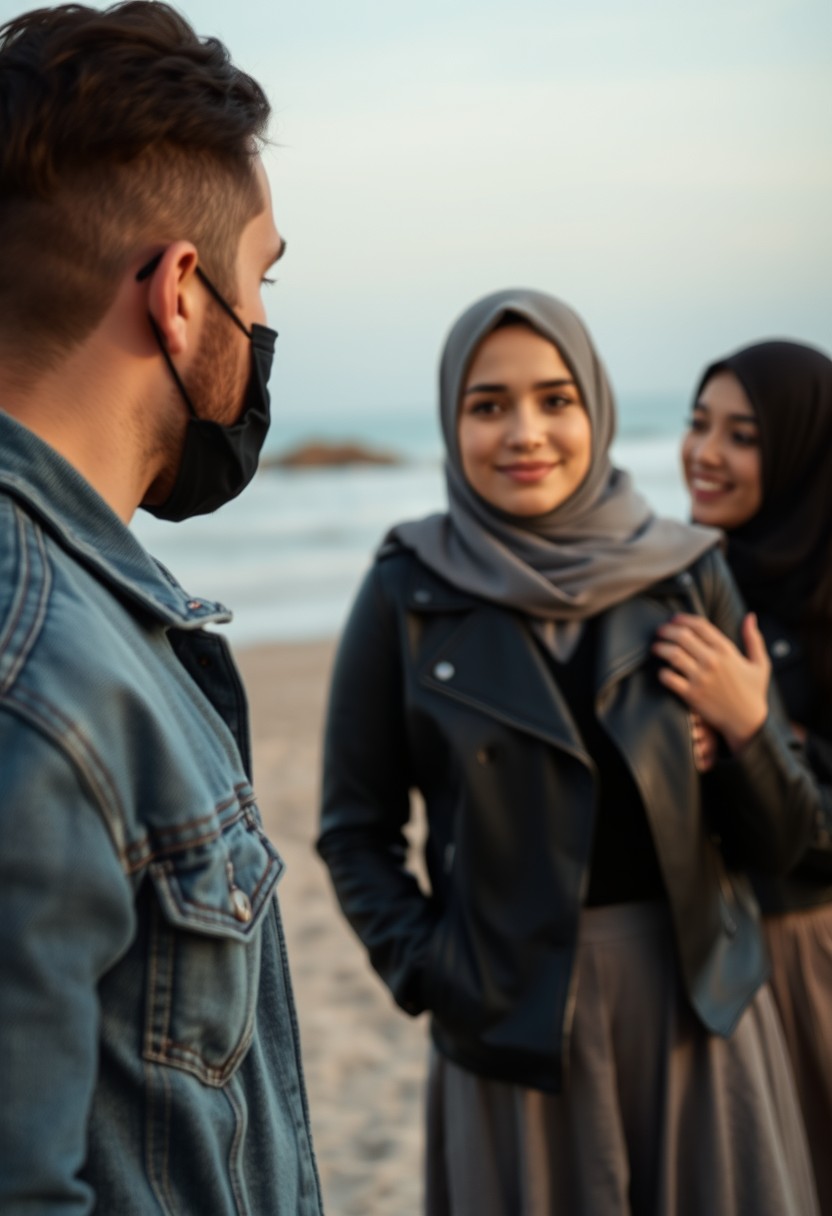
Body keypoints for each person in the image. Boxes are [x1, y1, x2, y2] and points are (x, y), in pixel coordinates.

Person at [317, 289, 822, 1216]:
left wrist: (752, 735)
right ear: (451, 420)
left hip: (697, 1010)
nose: (525, 432)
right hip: (509, 1022)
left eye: (556, 400)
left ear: (596, 409)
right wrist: (434, 970)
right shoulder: (405, 587)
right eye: (488, 405)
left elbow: (785, 843)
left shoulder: (685, 571)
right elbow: (354, 830)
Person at [0, 5, 323, 1213]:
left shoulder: (80, 618)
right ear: (182, 293)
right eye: (263, 281)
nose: (267, 328)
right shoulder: (43, 674)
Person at [674, 339, 832, 1212]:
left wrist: (750, 728)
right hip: (711, 953)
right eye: (699, 424)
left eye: (744, 435)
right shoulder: (693, 581)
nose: (706, 452)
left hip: (808, 954)